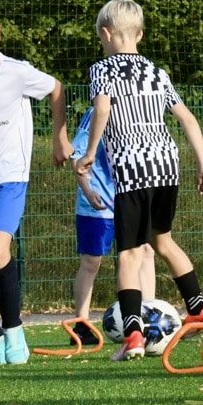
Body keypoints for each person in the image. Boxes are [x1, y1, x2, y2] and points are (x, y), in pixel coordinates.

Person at [73, 0, 203, 361]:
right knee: (162, 241)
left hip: (132, 166)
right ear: (138, 35)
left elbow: (102, 108)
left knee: (129, 253)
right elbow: (187, 118)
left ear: (106, 33)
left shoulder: (101, 69)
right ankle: (200, 310)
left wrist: (89, 153)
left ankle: (133, 336)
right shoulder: (156, 71)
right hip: (167, 163)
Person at [0, 0, 73, 365]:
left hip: (8, 176)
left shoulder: (17, 73)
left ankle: (14, 334)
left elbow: (55, 88)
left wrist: (60, 137)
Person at [68, 106, 156, 346]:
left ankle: (149, 318)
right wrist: (88, 191)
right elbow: (77, 155)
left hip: (131, 197)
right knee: (91, 260)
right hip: (98, 202)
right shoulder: (97, 112)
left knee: (145, 251)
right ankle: (81, 325)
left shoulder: (140, 110)